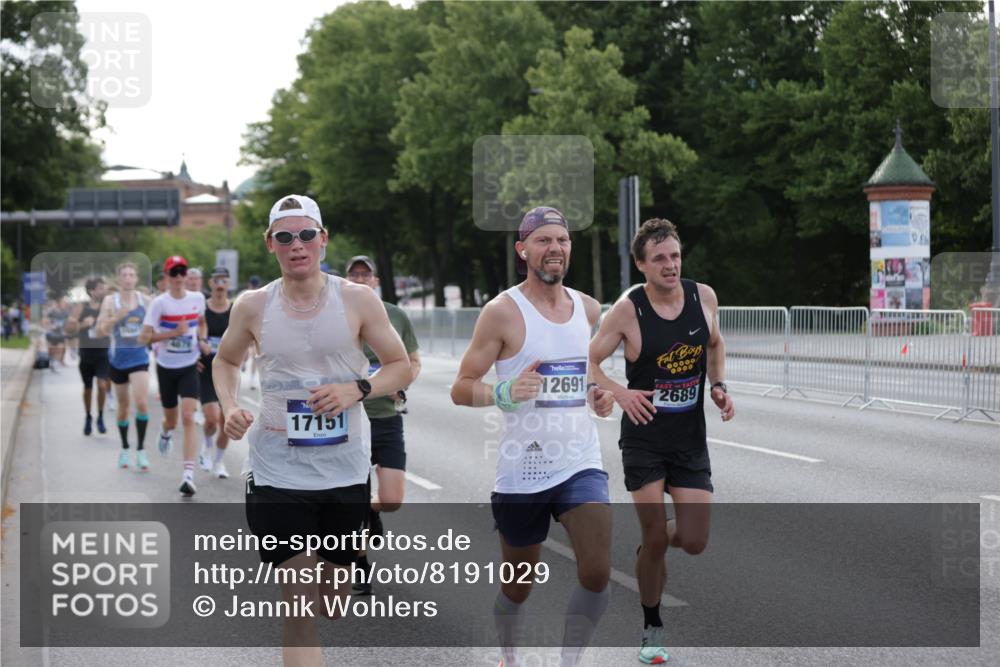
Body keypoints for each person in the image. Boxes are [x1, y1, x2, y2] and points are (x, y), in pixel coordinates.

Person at [213, 194, 410, 666]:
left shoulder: (358, 299)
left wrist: (357, 389)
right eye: (285, 236)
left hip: (343, 470)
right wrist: (229, 405)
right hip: (277, 471)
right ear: (270, 244)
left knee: (334, 603)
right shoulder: (252, 306)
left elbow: (401, 366)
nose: (296, 245)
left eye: (305, 234)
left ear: (322, 239)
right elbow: (225, 360)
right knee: (299, 608)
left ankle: (344, 561)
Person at [451, 206, 616, 667]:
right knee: (517, 584)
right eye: (543, 240)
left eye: (561, 240)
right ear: (523, 249)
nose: (555, 249)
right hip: (523, 470)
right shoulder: (502, 312)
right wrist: (503, 391)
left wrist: (598, 396)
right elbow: (461, 387)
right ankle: (510, 656)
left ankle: (568, 662)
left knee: (598, 572)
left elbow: (586, 377)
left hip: (579, 461)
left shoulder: (587, 308)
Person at [588, 218, 735, 665]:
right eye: (659, 259)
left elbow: (715, 343)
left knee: (693, 540)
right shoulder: (628, 310)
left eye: (674, 255)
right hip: (644, 439)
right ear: (641, 265)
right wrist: (620, 392)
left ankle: (651, 547)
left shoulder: (702, 296)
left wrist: (718, 385)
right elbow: (590, 362)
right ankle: (652, 627)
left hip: (689, 439)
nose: (670, 265)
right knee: (655, 536)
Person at [344, 254, 422, 595]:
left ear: (375, 280)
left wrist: (403, 382)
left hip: (387, 417)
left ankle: (372, 510)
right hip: (349, 422)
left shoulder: (395, 315)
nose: (361, 279)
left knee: (391, 498)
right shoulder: (336, 314)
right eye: (354, 274)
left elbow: (413, 360)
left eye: (366, 274)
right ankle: (360, 567)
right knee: (355, 498)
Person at [138, 255, 209, 496]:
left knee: (188, 416)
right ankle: (166, 431)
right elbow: (144, 337)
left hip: (189, 365)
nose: (179, 277)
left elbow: (201, 322)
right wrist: (172, 334)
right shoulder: (159, 304)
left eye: (182, 272)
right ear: (167, 277)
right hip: (167, 368)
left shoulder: (198, 298)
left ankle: (188, 475)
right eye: (174, 273)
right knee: (172, 419)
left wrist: (201, 339)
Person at [96, 262, 152, 470]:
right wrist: (115, 318)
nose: (128, 278)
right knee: (123, 407)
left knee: (142, 403)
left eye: (131, 275)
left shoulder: (145, 301)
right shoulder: (110, 301)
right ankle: (125, 448)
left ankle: (141, 450)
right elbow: (100, 331)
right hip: (118, 361)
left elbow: (156, 325)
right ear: (119, 279)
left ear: (136, 279)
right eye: (124, 275)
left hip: (139, 359)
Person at [197, 266, 233, 478]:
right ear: (210, 284)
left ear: (229, 284)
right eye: (216, 279)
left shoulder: (235, 309)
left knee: (227, 423)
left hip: (228, 372)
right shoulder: (202, 309)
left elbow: (245, 336)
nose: (220, 284)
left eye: (224, 280)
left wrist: (246, 351)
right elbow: (191, 334)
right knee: (211, 419)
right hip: (206, 371)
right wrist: (194, 355)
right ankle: (206, 446)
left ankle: (219, 462)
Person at [65, 278, 111, 436]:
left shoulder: (108, 307)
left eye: (104, 288)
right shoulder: (81, 307)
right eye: (100, 288)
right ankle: (88, 416)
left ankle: (100, 416)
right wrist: (82, 325)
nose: (103, 291)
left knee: (102, 385)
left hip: (103, 352)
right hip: (86, 352)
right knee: (88, 388)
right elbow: (69, 328)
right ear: (91, 291)